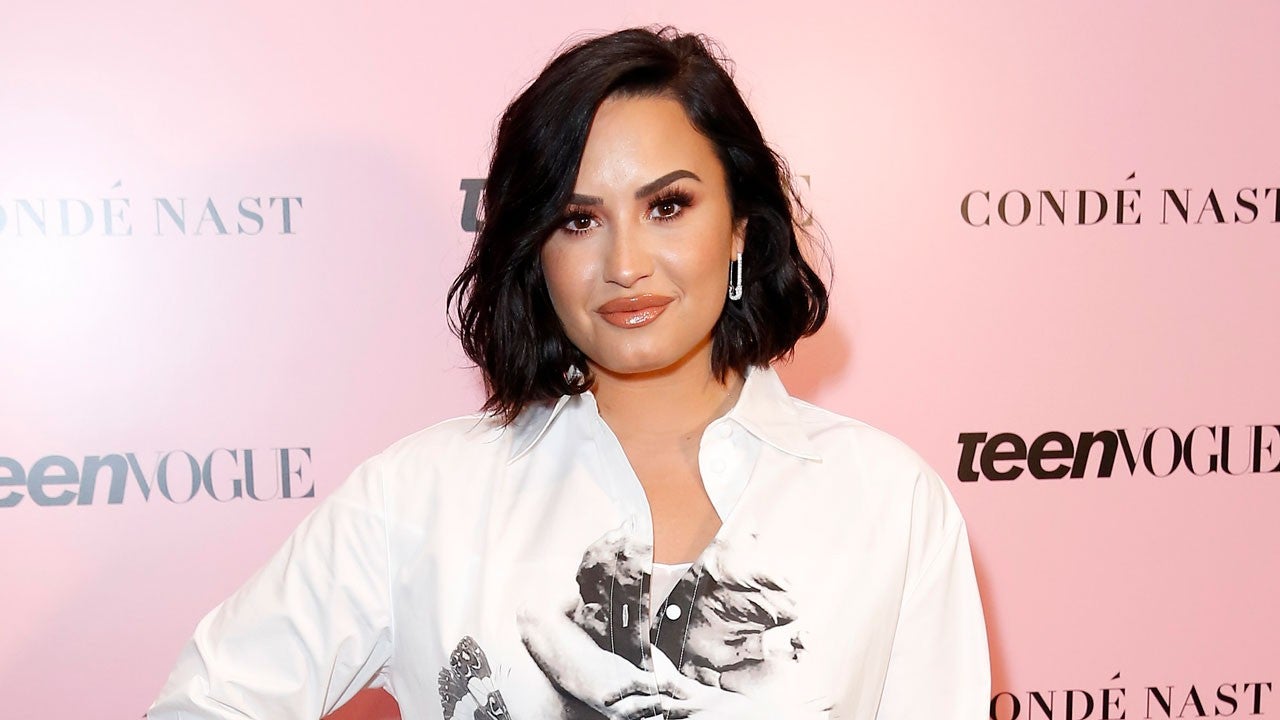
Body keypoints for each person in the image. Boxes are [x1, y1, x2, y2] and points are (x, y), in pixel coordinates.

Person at [148, 26, 990, 720]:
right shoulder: (422, 498)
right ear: (536, 251)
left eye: (667, 206)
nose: (625, 264)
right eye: (579, 220)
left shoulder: (886, 502)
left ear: (739, 228)